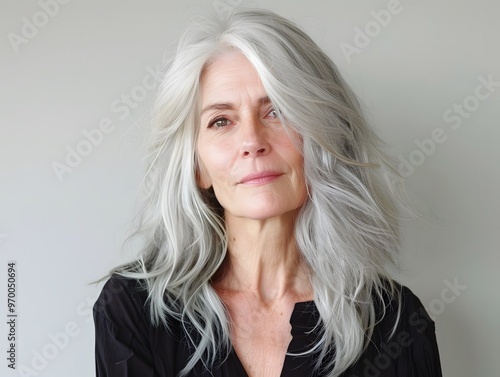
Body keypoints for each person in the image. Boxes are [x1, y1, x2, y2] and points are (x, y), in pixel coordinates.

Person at [93, 8, 442, 377]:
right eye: (221, 121)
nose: (252, 142)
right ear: (198, 168)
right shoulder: (133, 311)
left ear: (321, 137)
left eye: (276, 111)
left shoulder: (397, 324)